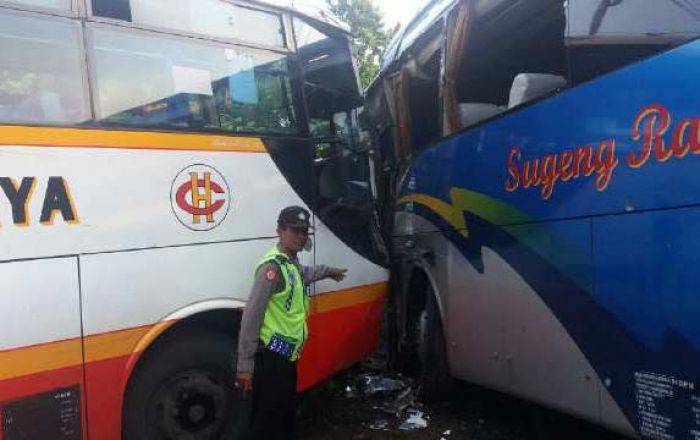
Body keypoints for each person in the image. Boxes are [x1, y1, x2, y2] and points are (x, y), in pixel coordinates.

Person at [235, 205, 347, 439]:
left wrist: (329, 271)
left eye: (304, 232)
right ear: (280, 230)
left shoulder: (290, 264)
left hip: (286, 358)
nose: (300, 236)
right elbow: (251, 317)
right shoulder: (272, 269)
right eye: (294, 231)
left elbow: (305, 273)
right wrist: (245, 367)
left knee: (283, 415)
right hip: (272, 359)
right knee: (267, 421)